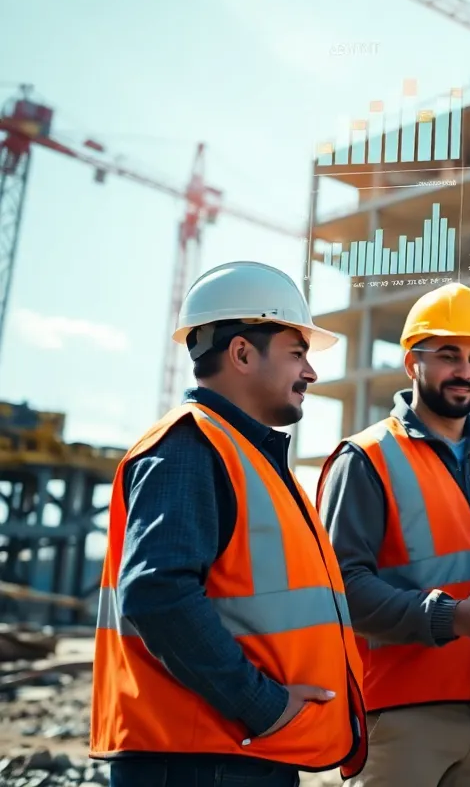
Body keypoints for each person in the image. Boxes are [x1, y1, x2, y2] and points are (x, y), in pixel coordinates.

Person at [90, 261, 368, 787]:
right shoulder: (190, 448)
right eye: (297, 353)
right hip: (204, 760)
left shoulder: (244, 456)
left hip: (232, 753)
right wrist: (263, 705)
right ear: (242, 353)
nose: (310, 372)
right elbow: (157, 594)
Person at [316, 282, 470, 787]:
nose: (465, 371)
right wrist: (453, 616)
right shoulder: (365, 458)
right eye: (448, 355)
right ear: (410, 363)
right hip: (398, 719)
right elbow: (340, 590)